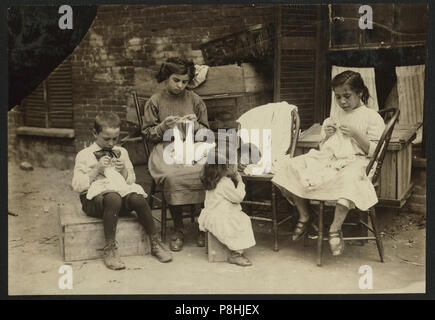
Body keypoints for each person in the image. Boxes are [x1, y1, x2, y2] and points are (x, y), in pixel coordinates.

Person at [272, 70, 385, 256]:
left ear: (359, 93)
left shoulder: (371, 117)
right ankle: (305, 214)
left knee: (350, 178)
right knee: (290, 166)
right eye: (338, 97)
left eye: (347, 96)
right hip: (331, 160)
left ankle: (335, 228)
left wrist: (357, 134)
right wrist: (328, 134)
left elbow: (377, 152)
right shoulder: (336, 115)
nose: (342, 102)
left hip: (358, 162)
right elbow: (326, 146)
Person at [72, 111, 172, 270]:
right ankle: (110, 249)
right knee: (113, 198)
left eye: (115, 138)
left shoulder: (122, 152)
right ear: (94, 133)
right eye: (106, 139)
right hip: (94, 202)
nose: (111, 143)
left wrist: (123, 171)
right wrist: (96, 170)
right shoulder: (84, 155)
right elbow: (77, 186)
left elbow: (131, 179)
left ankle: (155, 242)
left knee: (138, 198)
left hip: (119, 197)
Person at [142, 57, 210, 252]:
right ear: (167, 77)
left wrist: (196, 125)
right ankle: (178, 228)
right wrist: (164, 126)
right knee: (173, 176)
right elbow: (147, 134)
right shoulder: (155, 101)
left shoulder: (195, 100)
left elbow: (206, 133)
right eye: (176, 80)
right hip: (164, 148)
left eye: (185, 81)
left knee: (206, 172)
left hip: (191, 147)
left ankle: (201, 226)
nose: (180, 85)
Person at [198, 149, 256, 266]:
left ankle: (223, 248)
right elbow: (238, 197)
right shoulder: (224, 183)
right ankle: (236, 254)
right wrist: (240, 182)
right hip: (220, 220)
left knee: (235, 218)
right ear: (223, 168)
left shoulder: (211, 182)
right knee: (243, 221)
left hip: (210, 218)